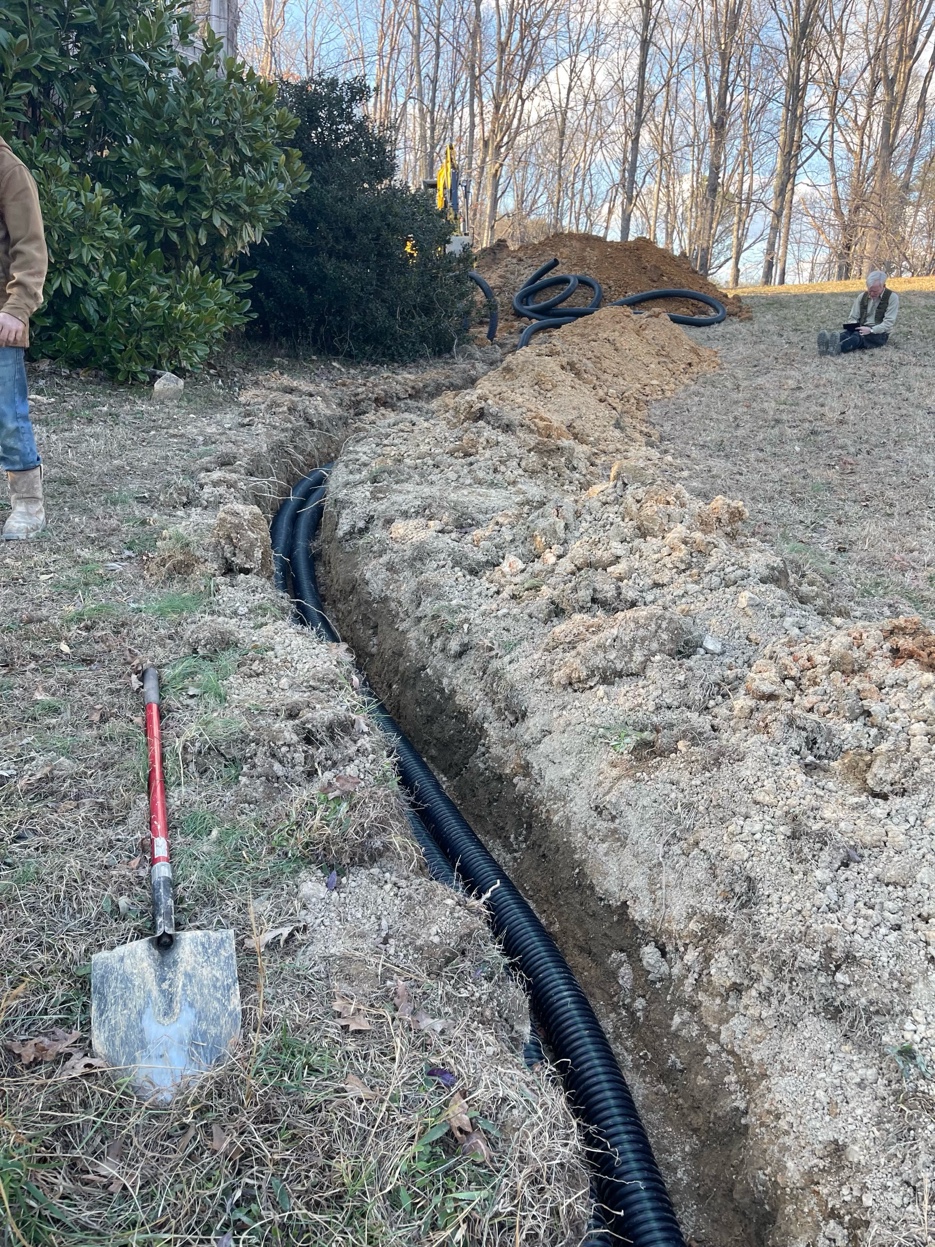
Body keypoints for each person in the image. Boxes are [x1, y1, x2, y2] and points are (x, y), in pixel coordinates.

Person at [0, 135, 48, 540]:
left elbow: (31, 247)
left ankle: (28, 504)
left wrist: (17, 308)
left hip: (0, 318)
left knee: (7, 415)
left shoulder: (9, 171)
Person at [817, 271, 898, 357]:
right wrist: (854, 326)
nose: (871, 294)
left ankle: (837, 348)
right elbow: (853, 316)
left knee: (857, 337)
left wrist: (871, 330)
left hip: (879, 333)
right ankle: (826, 345)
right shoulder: (862, 297)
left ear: (883, 286)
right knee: (846, 334)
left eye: (875, 291)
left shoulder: (892, 298)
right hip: (861, 327)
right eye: (870, 290)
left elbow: (888, 323)